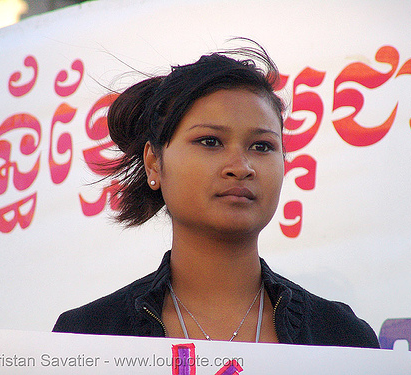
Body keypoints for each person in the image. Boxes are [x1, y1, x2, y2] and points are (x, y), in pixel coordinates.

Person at [53, 41, 380, 348]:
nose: (241, 167)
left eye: (262, 146)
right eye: (210, 141)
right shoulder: (88, 335)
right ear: (154, 162)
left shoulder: (341, 337)